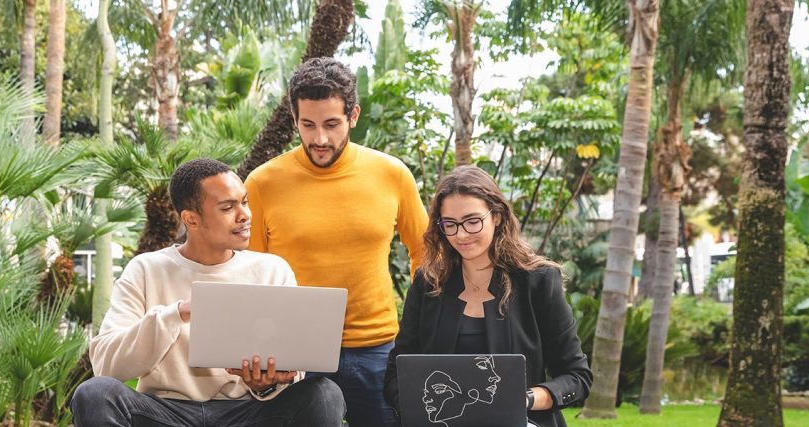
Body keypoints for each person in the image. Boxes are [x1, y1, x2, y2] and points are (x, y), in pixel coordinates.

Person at [71, 158, 345, 427]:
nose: (245, 215)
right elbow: (106, 365)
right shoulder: (146, 269)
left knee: (324, 394)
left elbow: (293, 368)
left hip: (247, 412)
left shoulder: (272, 269)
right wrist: (176, 313)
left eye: (245, 202)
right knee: (94, 394)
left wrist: (264, 386)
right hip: (165, 412)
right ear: (191, 220)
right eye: (228, 207)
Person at [245, 57, 429, 427]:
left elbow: (425, 253)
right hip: (295, 351)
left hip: (378, 347)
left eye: (331, 124)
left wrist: (422, 327)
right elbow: (248, 273)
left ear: (354, 115)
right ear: (294, 119)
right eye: (307, 125)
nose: (319, 139)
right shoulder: (262, 183)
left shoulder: (393, 174)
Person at [384, 166, 592, 427]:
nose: (461, 234)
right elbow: (396, 375)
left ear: (496, 216)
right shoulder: (428, 284)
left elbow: (577, 377)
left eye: (472, 221)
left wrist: (523, 399)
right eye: (450, 224)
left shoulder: (539, 281)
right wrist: (423, 410)